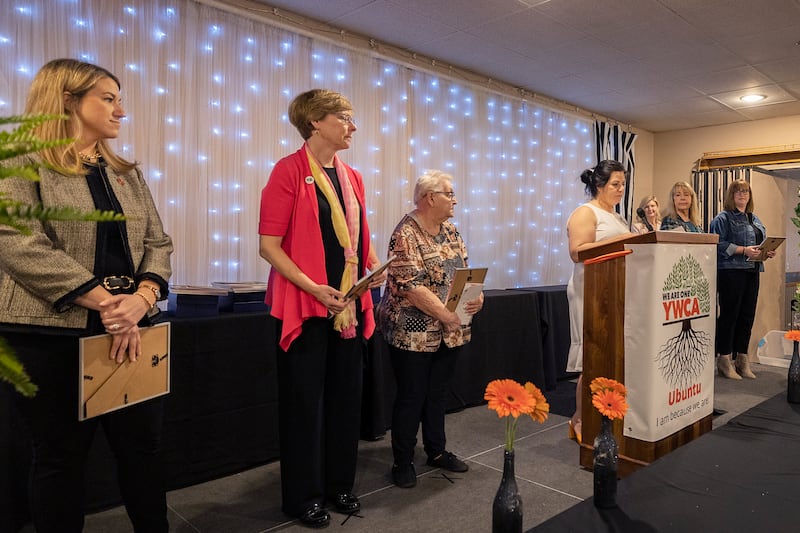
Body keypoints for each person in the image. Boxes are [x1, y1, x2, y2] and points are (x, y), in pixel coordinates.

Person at [0, 59, 173, 532]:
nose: (121, 110)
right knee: (59, 457)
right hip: (49, 333)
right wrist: (104, 302)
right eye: (109, 98)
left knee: (142, 449)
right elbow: (16, 240)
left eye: (120, 99)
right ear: (67, 100)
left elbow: (158, 242)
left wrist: (141, 298)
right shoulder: (17, 159)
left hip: (133, 325)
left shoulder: (126, 172)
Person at [258, 89, 385, 528]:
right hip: (307, 306)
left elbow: (355, 239)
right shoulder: (287, 172)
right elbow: (269, 247)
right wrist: (315, 288)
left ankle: (339, 486)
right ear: (315, 122)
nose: (353, 126)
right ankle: (303, 497)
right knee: (303, 407)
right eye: (345, 118)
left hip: (348, 305)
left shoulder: (353, 176)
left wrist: (372, 266)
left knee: (345, 403)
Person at [378, 170, 483, 489]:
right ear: (429, 197)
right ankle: (403, 460)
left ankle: (436, 451)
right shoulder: (405, 233)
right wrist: (445, 314)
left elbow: (464, 271)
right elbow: (410, 286)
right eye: (449, 194)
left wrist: (478, 297)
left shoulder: (451, 230)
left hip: (449, 329)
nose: (454, 200)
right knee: (412, 395)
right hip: (412, 330)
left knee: (438, 393)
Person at [565, 160, 631, 444]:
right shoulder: (585, 212)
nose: (620, 190)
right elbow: (578, 252)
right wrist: (625, 241)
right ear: (598, 185)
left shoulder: (617, 216)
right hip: (589, 291)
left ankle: (604, 415)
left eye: (623, 185)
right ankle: (579, 419)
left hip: (614, 292)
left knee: (611, 357)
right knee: (591, 359)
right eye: (615, 184)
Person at [709, 180, 774, 380]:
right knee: (730, 316)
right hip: (731, 271)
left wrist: (766, 251)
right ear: (731, 195)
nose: (742, 195)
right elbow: (717, 243)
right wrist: (743, 250)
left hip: (752, 270)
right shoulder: (723, 218)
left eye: (745, 191)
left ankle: (742, 360)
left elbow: (759, 243)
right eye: (738, 191)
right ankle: (724, 360)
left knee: (747, 316)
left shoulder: (754, 219)